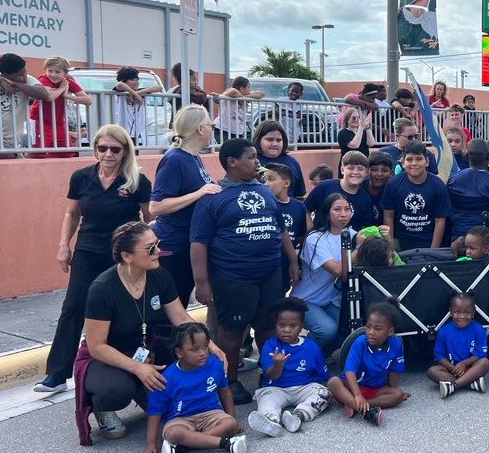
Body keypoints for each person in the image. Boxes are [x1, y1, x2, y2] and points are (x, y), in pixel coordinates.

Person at [73, 222, 227, 446]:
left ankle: (173, 397)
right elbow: (97, 346)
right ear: (126, 256)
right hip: (106, 355)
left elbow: (181, 318)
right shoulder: (102, 288)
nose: (158, 252)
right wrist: (138, 368)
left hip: (146, 347)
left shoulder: (159, 276)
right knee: (117, 390)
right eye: (150, 248)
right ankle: (103, 408)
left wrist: (211, 346)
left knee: (193, 355)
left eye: (158, 244)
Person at [35, 125, 153, 394]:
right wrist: (63, 245)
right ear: (95, 149)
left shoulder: (136, 181)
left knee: (123, 310)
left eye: (115, 149)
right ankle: (57, 374)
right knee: (74, 306)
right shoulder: (82, 177)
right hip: (88, 249)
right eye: (103, 148)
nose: (108, 154)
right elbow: (72, 213)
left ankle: (122, 367)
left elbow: (150, 217)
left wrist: (149, 250)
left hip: (123, 254)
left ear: (125, 151)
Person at [190, 138, 300, 404]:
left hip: (270, 272)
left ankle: (269, 373)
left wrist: (293, 260)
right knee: (232, 329)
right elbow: (198, 242)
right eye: (251, 157)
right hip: (233, 276)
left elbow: (280, 229)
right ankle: (229, 382)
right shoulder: (213, 197)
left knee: (267, 324)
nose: (257, 162)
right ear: (232, 162)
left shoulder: (264, 191)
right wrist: (201, 281)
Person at [139, 323, 245, 453]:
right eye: (195, 349)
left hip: (210, 413)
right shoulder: (167, 378)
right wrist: (151, 443)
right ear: (179, 352)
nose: (202, 353)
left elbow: (224, 391)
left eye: (206, 346)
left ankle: (183, 447)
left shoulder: (214, 364)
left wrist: (233, 419)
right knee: (173, 433)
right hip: (180, 419)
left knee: (230, 424)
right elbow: (155, 412)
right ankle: (225, 444)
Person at [149, 105, 222, 308]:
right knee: (171, 308)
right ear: (200, 129)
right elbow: (156, 206)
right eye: (210, 125)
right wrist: (199, 193)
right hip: (173, 248)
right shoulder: (174, 160)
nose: (212, 129)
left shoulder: (193, 157)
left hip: (187, 244)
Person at [247, 297, 331, 437]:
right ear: (275, 324)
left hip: (304, 387)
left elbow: (322, 376)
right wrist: (277, 365)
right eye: (282, 325)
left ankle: (298, 417)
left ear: (302, 326)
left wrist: (326, 393)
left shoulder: (311, 346)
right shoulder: (270, 345)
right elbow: (271, 376)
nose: (287, 330)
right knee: (266, 400)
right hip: (276, 388)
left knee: (324, 393)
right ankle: (271, 421)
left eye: (293, 326)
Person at [326, 299, 411, 425]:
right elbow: (349, 371)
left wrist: (393, 391)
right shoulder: (360, 343)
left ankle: (356, 405)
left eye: (377, 329)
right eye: (368, 326)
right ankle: (362, 406)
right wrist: (358, 395)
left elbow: (394, 370)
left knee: (397, 394)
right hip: (350, 386)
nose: (370, 332)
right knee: (333, 382)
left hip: (374, 390)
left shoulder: (396, 344)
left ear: (390, 331)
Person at [292, 193, 354, 353]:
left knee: (345, 329)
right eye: (337, 209)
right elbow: (338, 270)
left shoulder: (352, 234)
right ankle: (298, 356)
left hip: (332, 300)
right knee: (326, 331)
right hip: (306, 300)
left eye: (347, 209)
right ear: (326, 213)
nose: (343, 214)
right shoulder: (315, 238)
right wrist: (359, 249)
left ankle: (320, 356)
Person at [382, 141, 453, 250]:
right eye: (409, 159)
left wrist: (433, 251)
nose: (414, 163)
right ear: (403, 163)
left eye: (419, 159)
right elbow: (388, 215)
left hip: (428, 241)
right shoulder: (393, 184)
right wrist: (390, 246)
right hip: (401, 242)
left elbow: (440, 220)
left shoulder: (438, 185)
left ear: (427, 162)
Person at [0, 52, 51, 157]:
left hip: (10, 134)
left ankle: (16, 155)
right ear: (5, 75)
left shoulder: (27, 79)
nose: (24, 76)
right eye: (20, 75)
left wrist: (15, 84)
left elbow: (43, 93)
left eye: (25, 72)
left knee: (7, 161)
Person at [427, 293, 489, 398]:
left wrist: (464, 364)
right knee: (432, 371)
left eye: (467, 313)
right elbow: (439, 356)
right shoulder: (444, 331)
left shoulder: (478, 329)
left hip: (471, 368)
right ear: (451, 312)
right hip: (451, 369)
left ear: (473, 312)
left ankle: (454, 386)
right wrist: (452, 368)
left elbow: (480, 354)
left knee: (485, 362)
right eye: (457, 312)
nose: (462, 317)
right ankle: (470, 383)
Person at [446, 138, 489, 241]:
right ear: (488, 156)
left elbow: (447, 211)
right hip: (486, 240)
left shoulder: (453, 180)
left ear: (467, 156)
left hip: (458, 238)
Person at [29, 56, 89, 158]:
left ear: (65, 73)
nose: (53, 75)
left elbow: (87, 100)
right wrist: (62, 89)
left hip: (58, 124)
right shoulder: (44, 79)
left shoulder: (67, 82)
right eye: (50, 71)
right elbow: (48, 97)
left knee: (66, 153)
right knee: (37, 153)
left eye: (57, 72)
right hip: (39, 121)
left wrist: (67, 95)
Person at [262, 163, 307, 292]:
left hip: (286, 262)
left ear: (286, 183)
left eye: (271, 179)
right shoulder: (263, 205)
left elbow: (300, 237)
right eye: (264, 180)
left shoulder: (299, 207)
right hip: (267, 261)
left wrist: (295, 263)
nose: (266, 184)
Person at [305, 151, 374, 231]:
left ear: (366, 173)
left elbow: (365, 227)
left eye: (360, 169)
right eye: (351, 168)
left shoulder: (366, 199)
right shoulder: (325, 186)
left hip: (350, 241)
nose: (355, 172)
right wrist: (310, 233)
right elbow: (306, 210)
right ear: (342, 170)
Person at [253, 120, 306, 199]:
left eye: (278, 140)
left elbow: (300, 196)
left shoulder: (292, 162)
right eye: (270, 139)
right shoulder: (250, 162)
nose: (275, 144)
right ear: (258, 140)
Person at [215, 76, 265, 144]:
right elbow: (234, 91)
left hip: (237, 132)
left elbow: (261, 94)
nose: (250, 90)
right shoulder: (228, 94)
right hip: (223, 129)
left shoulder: (245, 98)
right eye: (248, 87)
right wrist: (242, 98)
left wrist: (244, 97)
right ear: (242, 88)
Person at [363, 151, 394, 227]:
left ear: (391, 173)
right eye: (374, 170)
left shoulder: (394, 191)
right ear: (367, 171)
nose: (379, 174)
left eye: (384, 170)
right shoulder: (359, 187)